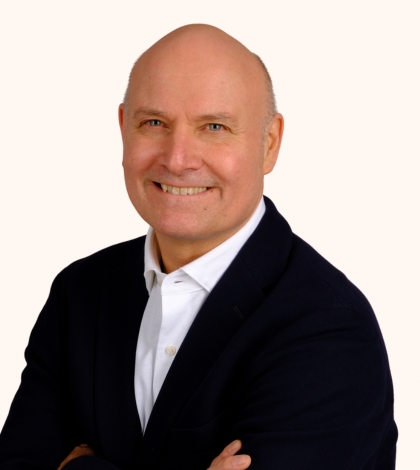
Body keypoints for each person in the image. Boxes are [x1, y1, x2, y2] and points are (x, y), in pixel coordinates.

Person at [0, 24, 397, 470]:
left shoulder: (328, 328)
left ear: (269, 144)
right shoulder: (79, 292)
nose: (177, 159)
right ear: (123, 129)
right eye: (154, 123)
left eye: (214, 127)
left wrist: (75, 466)